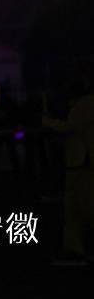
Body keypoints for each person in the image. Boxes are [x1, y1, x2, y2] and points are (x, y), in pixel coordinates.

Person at [43, 77, 94, 261]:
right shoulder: (86, 103)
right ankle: (75, 247)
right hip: (82, 161)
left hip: (81, 161)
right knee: (78, 206)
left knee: (77, 206)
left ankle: (76, 248)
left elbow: (70, 127)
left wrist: (49, 123)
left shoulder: (84, 105)